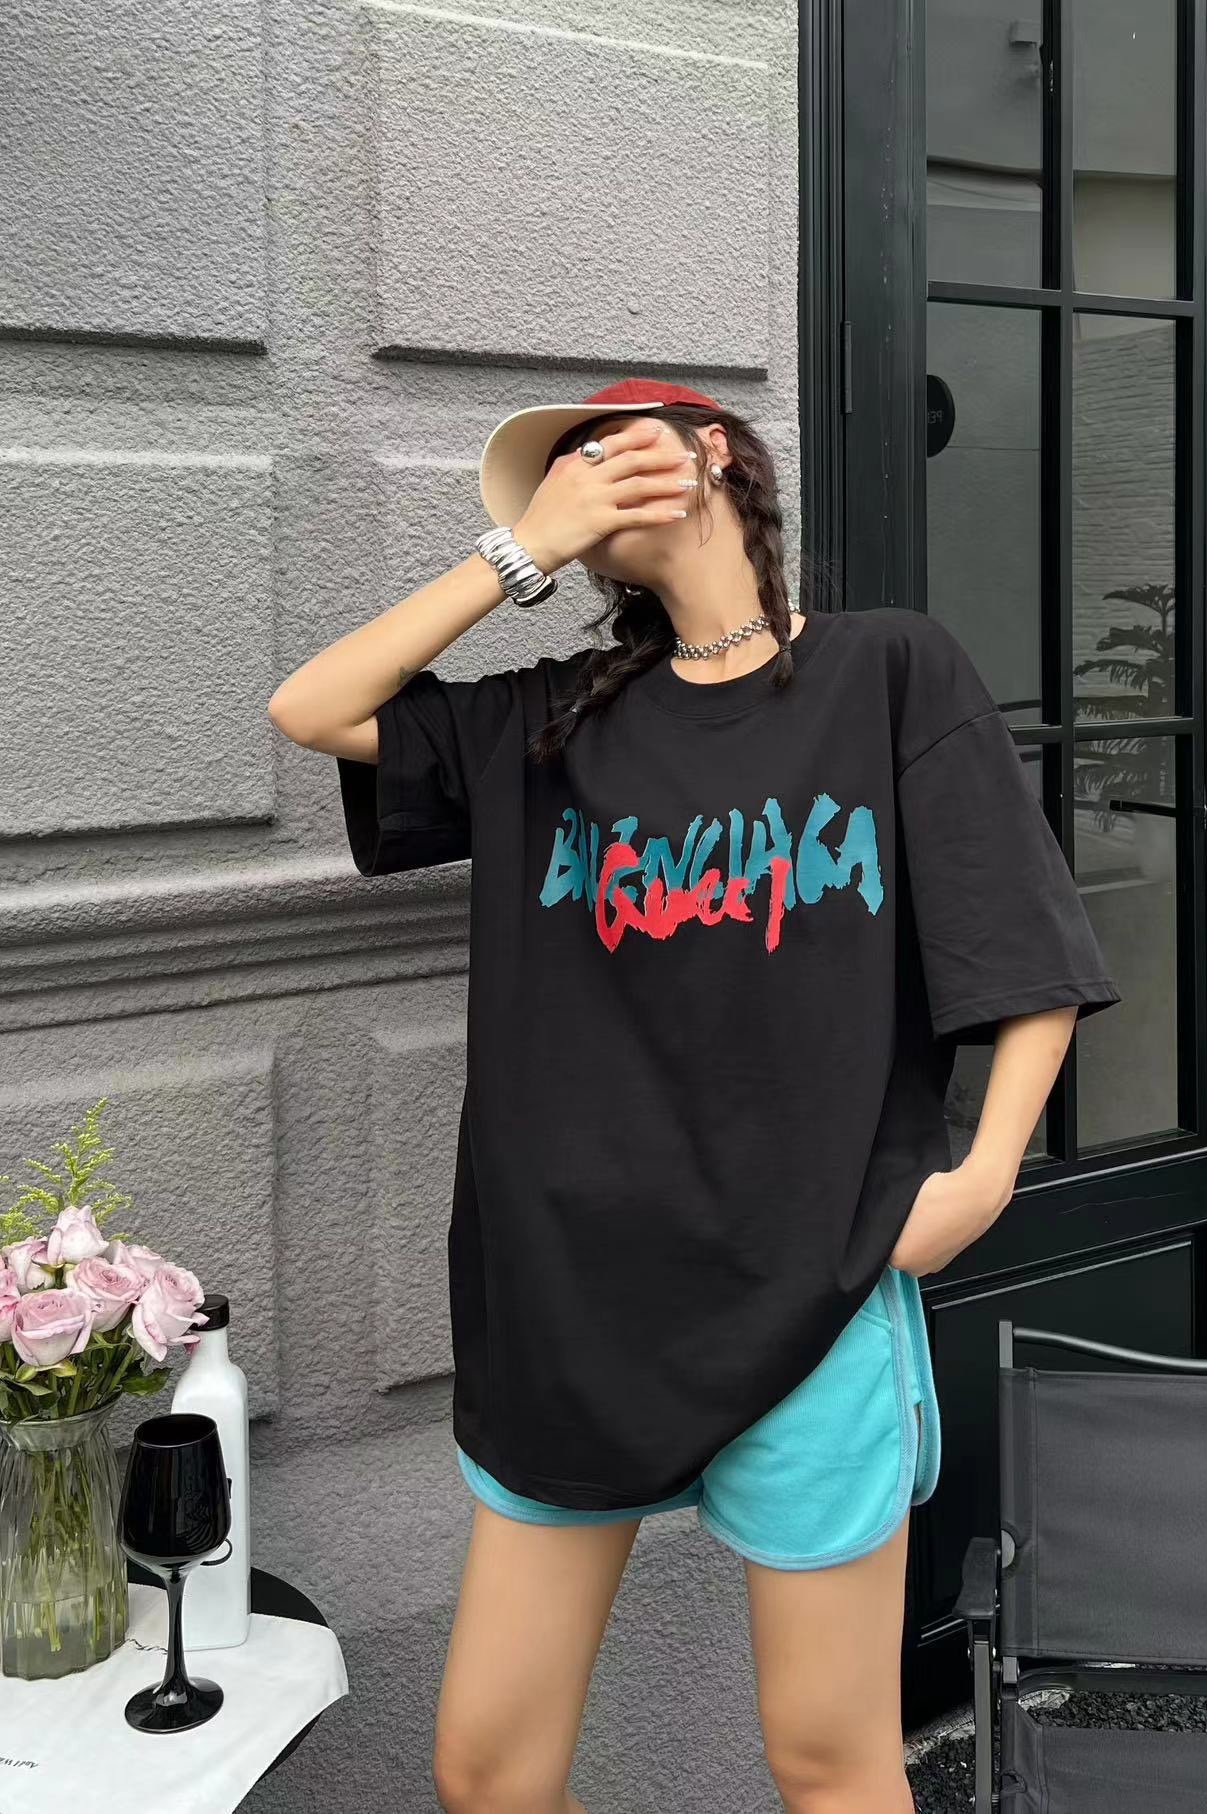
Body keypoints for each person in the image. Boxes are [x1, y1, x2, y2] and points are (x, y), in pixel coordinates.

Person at [267, 377, 1121, 1813]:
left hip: (814, 1286)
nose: (583, 473)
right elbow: (313, 708)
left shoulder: (887, 670)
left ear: (715, 450)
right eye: (559, 472)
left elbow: (1018, 940)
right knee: (487, 1772)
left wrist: (979, 1182)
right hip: (571, 1302)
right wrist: (517, 552)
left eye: (609, 444)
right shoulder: (552, 719)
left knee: (828, 1760)